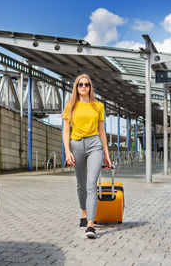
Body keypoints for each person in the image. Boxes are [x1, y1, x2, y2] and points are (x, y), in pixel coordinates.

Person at [62, 73, 112, 239]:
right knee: (81, 184)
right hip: (76, 145)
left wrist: (106, 154)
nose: (83, 87)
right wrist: (67, 151)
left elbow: (102, 131)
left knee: (91, 183)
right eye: (80, 84)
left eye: (87, 84)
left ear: (90, 87)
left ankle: (90, 224)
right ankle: (83, 212)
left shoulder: (98, 106)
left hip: (94, 145)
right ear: (76, 87)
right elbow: (66, 130)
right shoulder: (70, 106)